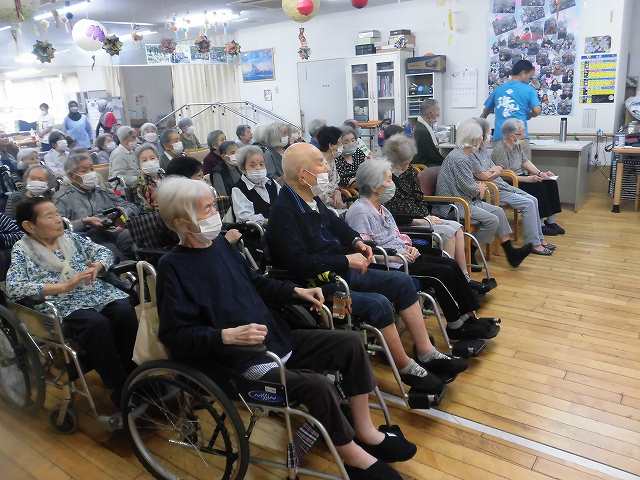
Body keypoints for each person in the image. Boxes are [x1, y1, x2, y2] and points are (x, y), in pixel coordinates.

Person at [155, 176, 416, 480]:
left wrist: (296, 292)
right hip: (238, 362)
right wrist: (224, 336)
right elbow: (174, 335)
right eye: (206, 209)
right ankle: (351, 455)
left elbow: (256, 283)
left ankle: (366, 431)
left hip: (274, 339)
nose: (215, 213)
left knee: (350, 344)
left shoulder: (221, 246)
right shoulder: (172, 268)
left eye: (214, 205)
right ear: (181, 221)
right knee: (319, 387)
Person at [268, 143, 468, 394]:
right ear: (302, 174)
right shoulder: (283, 213)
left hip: (340, 271)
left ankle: (426, 352)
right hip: (316, 285)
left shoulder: (311, 200)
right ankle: (405, 366)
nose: (327, 167)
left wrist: (356, 241)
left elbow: (338, 227)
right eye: (320, 162)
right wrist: (346, 260)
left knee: (402, 283)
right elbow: (298, 263)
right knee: (379, 303)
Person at [345, 159, 498, 340]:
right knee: (438, 274)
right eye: (388, 180)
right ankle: (456, 325)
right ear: (374, 185)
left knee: (449, 263)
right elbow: (366, 251)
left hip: (403, 256)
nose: (392, 184)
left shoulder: (381, 208)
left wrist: (409, 246)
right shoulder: (360, 212)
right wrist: (399, 255)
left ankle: (469, 316)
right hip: (389, 265)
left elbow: (396, 234)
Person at [6, 197, 137, 407]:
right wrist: (63, 287)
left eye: (57, 213)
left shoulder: (71, 237)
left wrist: (98, 266)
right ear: (29, 225)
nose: (59, 219)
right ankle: (119, 386)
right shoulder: (22, 250)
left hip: (93, 291)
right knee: (96, 324)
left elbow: (103, 251)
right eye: (50, 216)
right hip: (60, 302)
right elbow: (14, 287)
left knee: (125, 312)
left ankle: (128, 371)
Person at [435, 120, 532, 267]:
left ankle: (511, 253)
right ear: (474, 138)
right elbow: (471, 188)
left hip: (465, 200)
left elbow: (480, 177)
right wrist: (479, 188)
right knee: (492, 220)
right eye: (481, 136)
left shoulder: (467, 154)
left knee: (499, 212)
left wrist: (480, 186)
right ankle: (471, 251)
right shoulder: (459, 158)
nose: (484, 139)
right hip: (453, 205)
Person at [382, 134, 472, 279]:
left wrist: (426, 215)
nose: (407, 166)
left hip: (420, 217)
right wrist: (420, 220)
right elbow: (392, 211)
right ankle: (447, 278)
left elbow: (418, 197)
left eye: (409, 162)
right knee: (448, 233)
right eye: (404, 163)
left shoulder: (409, 171)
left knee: (457, 228)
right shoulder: (386, 178)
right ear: (393, 161)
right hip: (405, 223)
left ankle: (463, 275)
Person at [471, 117, 555, 255]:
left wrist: (540, 173)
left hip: (502, 184)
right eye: (488, 134)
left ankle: (539, 239)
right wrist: (526, 178)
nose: (490, 136)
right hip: (496, 187)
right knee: (529, 202)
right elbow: (492, 174)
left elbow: (497, 170)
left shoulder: (484, 152)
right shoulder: (488, 151)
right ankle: (534, 243)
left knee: (534, 199)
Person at [54, 152, 139, 260]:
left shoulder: (102, 191)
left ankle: (139, 269)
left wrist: (122, 213)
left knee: (131, 236)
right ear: (72, 176)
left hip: (110, 230)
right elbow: (58, 227)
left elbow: (131, 206)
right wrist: (84, 221)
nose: (90, 173)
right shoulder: (62, 198)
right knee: (110, 249)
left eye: (91, 169)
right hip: (84, 238)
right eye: (84, 171)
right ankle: (126, 270)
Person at [492, 118, 565, 235]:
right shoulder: (500, 149)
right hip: (509, 182)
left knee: (550, 182)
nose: (523, 135)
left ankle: (551, 221)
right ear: (511, 135)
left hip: (520, 177)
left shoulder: (516, 145)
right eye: (520, 133)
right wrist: (528, 179)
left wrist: (541, 173)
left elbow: (525, 162)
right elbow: (503, 175)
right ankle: (540, 224)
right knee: (538, 186)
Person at [481, 60, 541, 141]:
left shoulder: (498, 89)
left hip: (500, 138)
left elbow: (485, 112)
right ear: (523, 73)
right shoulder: (529, 90)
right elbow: (537, 111)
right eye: (529, 76)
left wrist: (478, 130)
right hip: (519, 138)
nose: (529, 79)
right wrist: (530, 115)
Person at [231, 145, 281, 224]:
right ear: (243, 168)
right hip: (257, 232)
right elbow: (245, 218)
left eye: (261, 164)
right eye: (252, 165)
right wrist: (269, 221)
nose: (258, 168)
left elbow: (284, 202)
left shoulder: (271, 182)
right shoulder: (238, 189)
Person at [316, 126, 347, 209]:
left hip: (333, 201)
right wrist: (334, 203)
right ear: (330, 145)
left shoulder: (332, 159)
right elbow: (320, 193)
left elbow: (335, 182)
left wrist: (337, 192)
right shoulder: (319, 164)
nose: (342, 146)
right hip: (322, 206)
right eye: (340, 143)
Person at [413, 99, 444, 166]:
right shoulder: (422, 131)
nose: (439, 114)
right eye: (437, 110)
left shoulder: (420, 125)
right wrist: (446, 162)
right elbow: (433, 156)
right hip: (425, 166)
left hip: (426, 163)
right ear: (430, 113)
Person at [135, 144, 162, 209]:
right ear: (139, 165)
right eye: (144, 160)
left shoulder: (162, 174)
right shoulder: (142, 183)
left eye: (152, 158)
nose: (149, 162)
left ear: (158, 159)